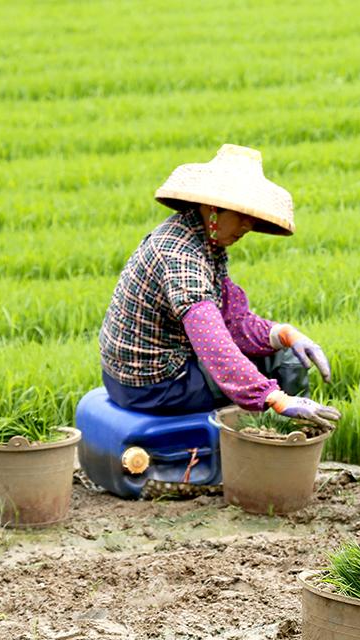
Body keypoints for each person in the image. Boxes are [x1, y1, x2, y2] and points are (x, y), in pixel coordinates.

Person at [99, 144, 342, 429]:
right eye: (240, 215)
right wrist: (273, 397)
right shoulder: (182, 258)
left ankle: (289, 434)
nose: (247, 226)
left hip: (135, 376)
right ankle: (286, 438)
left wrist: (284, 333)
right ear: (214, 208)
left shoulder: (198, 238)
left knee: (283, 349)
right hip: (155, 385)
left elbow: (232, 321)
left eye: (251, 217)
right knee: (282, 364)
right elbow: (213, 342)